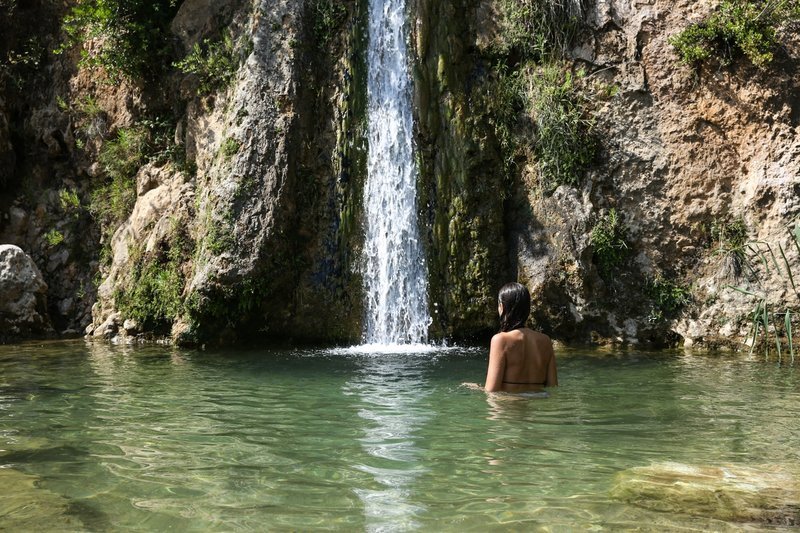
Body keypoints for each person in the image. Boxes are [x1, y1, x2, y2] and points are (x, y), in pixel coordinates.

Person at [464, 282, 558, 393]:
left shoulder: (500, 340)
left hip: (510, 405)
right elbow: (553, 386)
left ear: (502, 307)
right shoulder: (545, 341)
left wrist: (475, 387)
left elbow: (491, 391)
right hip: (537, 405)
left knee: (466, 385)